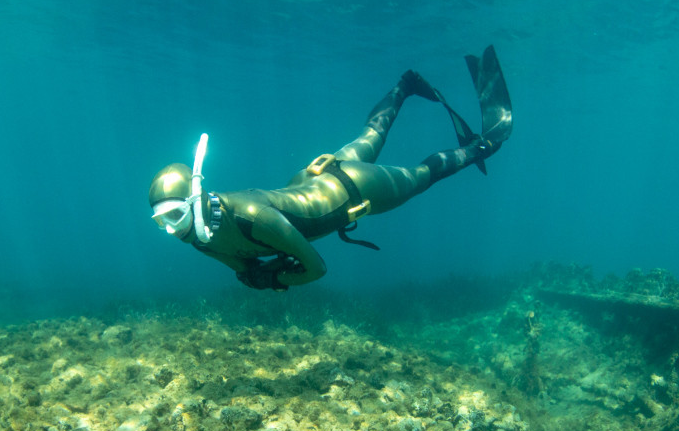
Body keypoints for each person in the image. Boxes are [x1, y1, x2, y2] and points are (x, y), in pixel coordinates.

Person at [148, 46, 512, 291]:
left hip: (353, 188)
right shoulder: (198, 237)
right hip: (313, 179)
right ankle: (406, 85)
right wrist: (259, 275)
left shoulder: (253, 217)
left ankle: (485, 144)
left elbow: (316, 268)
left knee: (420, 177)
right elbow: (243, 268)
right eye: (162, 222)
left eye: (176, 215)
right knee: (369, 136)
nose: (172, 229)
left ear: (196, 200)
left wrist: (274, 279)